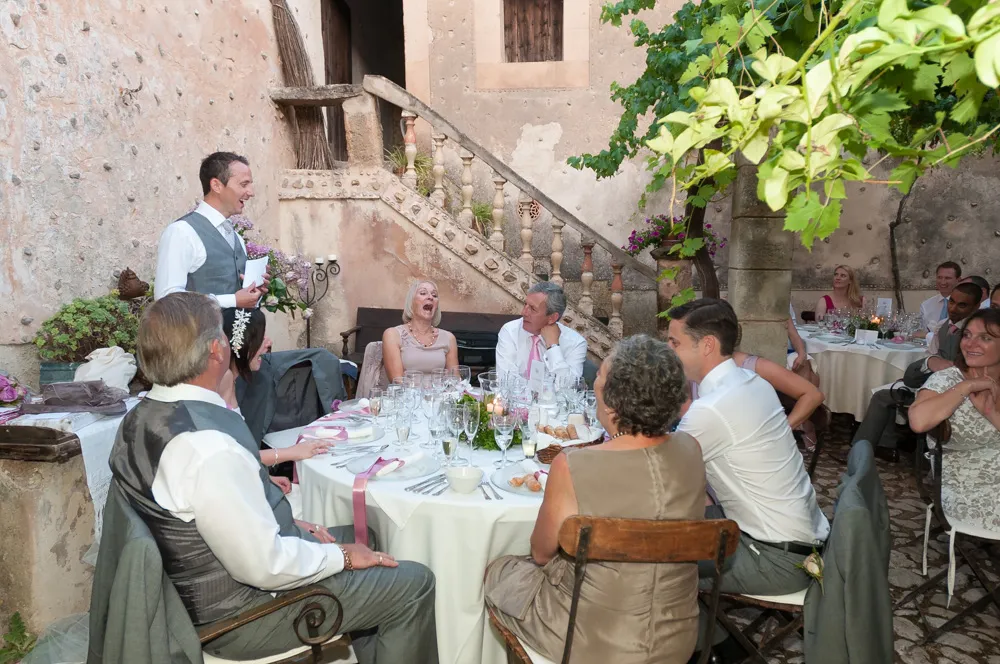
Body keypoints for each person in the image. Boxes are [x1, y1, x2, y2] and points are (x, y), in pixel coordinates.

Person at [109, 292, 438, 663]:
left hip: (208, 585)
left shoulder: (142, 416)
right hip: (243, 616)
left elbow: (209, 514)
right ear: (217, 350)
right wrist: (342, 556)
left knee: (367, 534)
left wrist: (296, 524)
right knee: (415, 583)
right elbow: (267, 566)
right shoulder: (208, 447)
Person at [485, 335, 705, 664]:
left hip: (587, 638)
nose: (595, 383)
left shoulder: (573, 464)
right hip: (678, 637)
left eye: (599, 376)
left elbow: (542, 553)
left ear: (613, 401)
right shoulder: (691, 449)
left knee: (498, 571)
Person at [667, 298, 829, 662]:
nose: (669, 349)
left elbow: (661, 483)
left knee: (653, 568)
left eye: (675, 342)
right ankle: (730, 650)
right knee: (664, 537)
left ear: (707, 345)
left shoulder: (712, 408)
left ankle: (712, 651)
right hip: (802, 539)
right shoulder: (749, 382)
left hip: (778, 558)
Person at [852, 281, 983, 462]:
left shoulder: (974, 336)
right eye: (952, 302)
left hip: (952, 394)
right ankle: (878, 448)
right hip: (932, 383)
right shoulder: (944, 326)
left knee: (884, 396)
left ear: (976, 307)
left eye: (962, 305)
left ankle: (864, 452)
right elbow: (931, 356)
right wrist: (930, 362)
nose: (953, 308)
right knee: (887, 391)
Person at [908, 308, 1000, 533]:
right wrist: (966, 387)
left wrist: (991, 413)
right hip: (965, 483)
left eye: (985, 338)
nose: (970, 344)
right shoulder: (948, 379)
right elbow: (918, 421)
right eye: (967, 335)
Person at [218, 307, 339, 469]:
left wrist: (267, 478)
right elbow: (234, 454)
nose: (269, 342)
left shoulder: (230, 378)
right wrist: (294, 452)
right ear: (244, 343)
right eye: (261, 338)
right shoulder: (223, 380)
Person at [154, 152, 269, 307]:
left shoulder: (237, 238)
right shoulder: (181, 232)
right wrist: (233, 300)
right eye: (243, 184)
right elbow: (166, 299)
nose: (251, 192)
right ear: (216, 185)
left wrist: (254, 292)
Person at [495, 281, 588, 382]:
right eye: (525, 304)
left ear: (552, 317)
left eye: (533, 309)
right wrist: (548, 389)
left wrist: (553, 347)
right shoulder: (510, 331)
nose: (524, 313)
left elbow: (569, 388)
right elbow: (505, 381)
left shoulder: (576, 343)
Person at [382, 280, 459, 383]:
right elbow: (397, 381)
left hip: (440, 397)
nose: (430, 297)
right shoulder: (393, 335)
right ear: (411, 302)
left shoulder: (449, 338)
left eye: (434, 295)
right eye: (423, 293)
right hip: (408, 397)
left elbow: (456, 380)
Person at [919, 261, 961, 332]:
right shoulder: (926, 305)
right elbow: (921, 332)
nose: (942, 282)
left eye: (947, 278)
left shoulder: (965, 305)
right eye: (939, 277)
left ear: (958, 280)